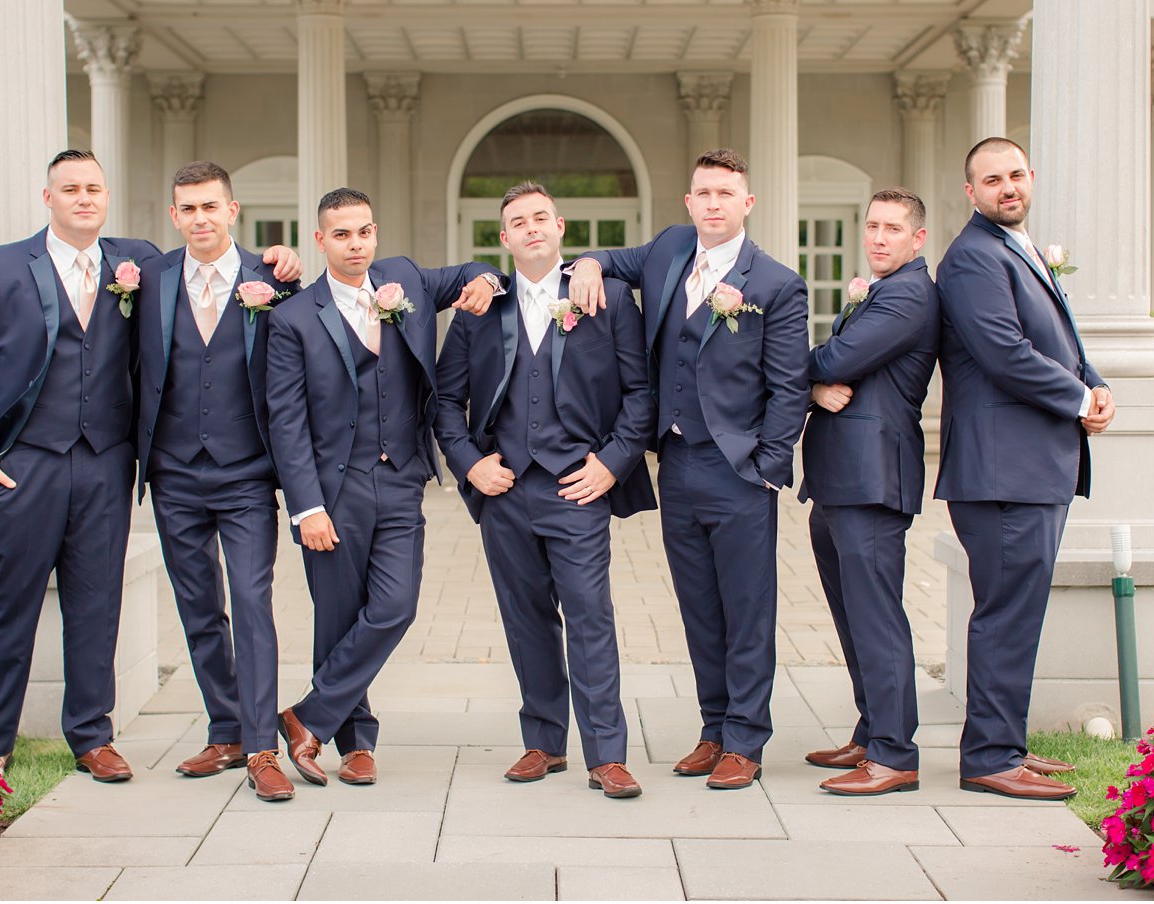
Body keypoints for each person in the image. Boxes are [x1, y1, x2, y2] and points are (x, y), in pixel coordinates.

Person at [0, 149, 299, 782]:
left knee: (96, 606)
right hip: (21, 468)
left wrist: (284, 259)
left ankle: (91, 735)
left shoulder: (131, 264)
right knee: (12, 609)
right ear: (47, 197)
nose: (83, 198)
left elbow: (229, 264)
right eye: (70, 189)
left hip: (107, 465)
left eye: (94, 189)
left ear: (107, 199)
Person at [568, 148, 809, 790]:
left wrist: (767, 465)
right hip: (675, 462)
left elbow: (790, 388)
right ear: (689, 201)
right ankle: (713, 728)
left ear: (747, 203)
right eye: (703, 193)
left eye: (725, 194)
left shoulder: (777, 284)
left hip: (738, 471)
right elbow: (607, 261)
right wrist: (588, 261)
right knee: (698, 604)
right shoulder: (671, 248)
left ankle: (746, 740)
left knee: (747, 607)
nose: (713, 204)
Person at [265, 187, 502, 787]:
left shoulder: (405, 280)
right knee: (338, 618)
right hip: (333, 490)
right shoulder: (294, 317)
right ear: (320, 240)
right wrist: (306, 508)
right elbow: (285, 422)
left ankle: (306, 718)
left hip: (401, 479)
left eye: (364, 231)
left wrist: (486, 282)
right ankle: (355, 743)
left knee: (396, 605)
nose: (356, 245)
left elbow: (477, 269)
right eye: (342, 234)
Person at [435, 182, 656, 799]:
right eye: (517, 222)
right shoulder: (480, 307)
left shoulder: (606, 295)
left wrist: (612, 464)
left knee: (590, 616)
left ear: (559, 227)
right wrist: (470, 465)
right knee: (524, 618)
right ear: (503, 239)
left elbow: (641, 394)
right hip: (504, 491)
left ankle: (606, 753)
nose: (531, 228)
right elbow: (447, 402)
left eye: (540, 218)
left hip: (575, 488)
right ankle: (543, 742)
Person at [936, 137, 1115, 801]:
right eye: (991, 179)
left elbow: (1058, 339)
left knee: (1016, 613)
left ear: (1030, 177)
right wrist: (1075, 400)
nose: (1006, 187)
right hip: (1001, 473)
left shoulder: (1019, 247)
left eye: (1014, 174)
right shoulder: (972, 260)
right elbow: (1006, 354)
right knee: (1006, 615)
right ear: (971, 192)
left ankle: (1004, 744)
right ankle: (988, 757)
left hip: (1030, 466)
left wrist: (1094, 384)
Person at [135, 161, 295, 802]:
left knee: (253, 604)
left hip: (248, 474)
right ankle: (225, 728)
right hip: (173, 471)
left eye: (211, 206)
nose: (200, 218)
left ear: (233, 211)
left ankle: (261, 745)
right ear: (174, 217)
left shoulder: (274, 278)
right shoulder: (145, 279)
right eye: (188, 209)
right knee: (199, 608)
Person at [798, 188, 938, 796]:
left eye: (892, 229)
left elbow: (840, 356)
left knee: (877, 616)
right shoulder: (880, 291)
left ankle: (895, 753)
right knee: (852, 614)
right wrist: (814, 388)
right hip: (840, 478)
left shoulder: (909, 295)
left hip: (873, 478)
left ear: (918, 239)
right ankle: (871, 729)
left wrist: (804, 373)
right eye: (872, 226)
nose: (878, 238)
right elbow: (832, 369)